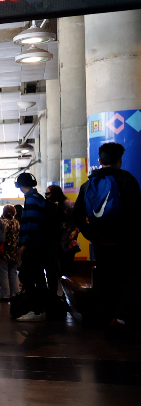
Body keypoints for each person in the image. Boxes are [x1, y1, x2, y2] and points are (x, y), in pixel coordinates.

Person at [73, 141, 141, 335]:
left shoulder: (87, 185)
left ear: (99, 160)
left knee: (104, 279)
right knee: (132, 278)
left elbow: (76, 215)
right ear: (120, 160)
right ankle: (120, 319)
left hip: (100, 243)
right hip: (125, 242)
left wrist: (91, 234)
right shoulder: (127, 180)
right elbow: (137, 212)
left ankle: (103, 319)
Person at [13, 172, 55, 321]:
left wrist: (25, 244)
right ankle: (43, 308)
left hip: (33, 245)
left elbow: (32, 223)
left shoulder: (31, 199)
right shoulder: (38, 198)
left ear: (20, 186)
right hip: (39, 244)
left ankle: (37, 309)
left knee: (26, 275)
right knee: (37, 276)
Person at [47, 185, 80, 278]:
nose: (46, 196)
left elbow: (78, 218)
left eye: (48, 193)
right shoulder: (52, 205)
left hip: (67, 241)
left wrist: (76, 230)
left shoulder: (69, 204)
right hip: (56, 241)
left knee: (67, 268)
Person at [0, 205, 21, 300]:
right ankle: (15, 294)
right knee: (13, 273)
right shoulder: (17, 222)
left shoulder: (3, 222)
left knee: (4, 273)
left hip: (4, 251)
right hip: (15, 251)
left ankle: (5, 295)